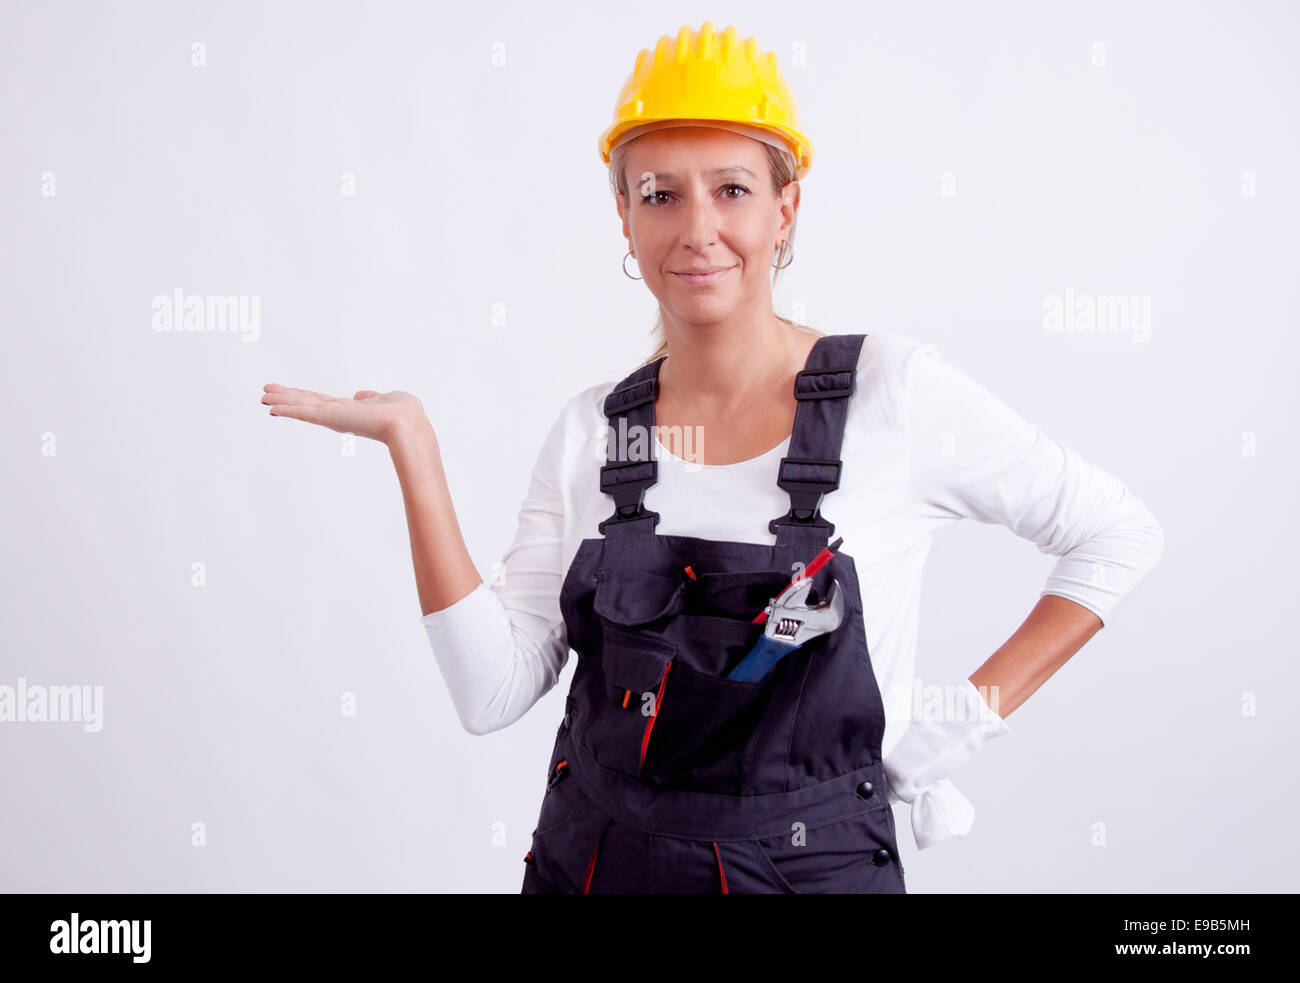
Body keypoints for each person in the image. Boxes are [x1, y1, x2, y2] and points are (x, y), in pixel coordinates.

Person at [259, 22, 1164, 893]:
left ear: (787, 207)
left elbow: (1116, 534)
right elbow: (490, 693)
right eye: (660, 193)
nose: (697, 228)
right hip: (592, 866)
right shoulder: (595, 433)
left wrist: (959, 723)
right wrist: (413, 447)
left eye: (731, 188)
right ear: (624, 214)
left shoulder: (892, 395)